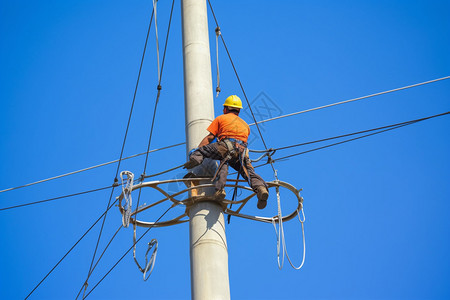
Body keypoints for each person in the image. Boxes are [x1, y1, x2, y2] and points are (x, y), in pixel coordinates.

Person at [184, 95, 269, 209]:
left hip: (225, 146)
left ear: (225, 109)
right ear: (238, 110)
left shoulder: (221, 118)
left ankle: (218, 188)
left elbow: (209, 138)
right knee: (248, 172)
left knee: (220, 161)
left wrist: (196, 152)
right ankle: (261, 189)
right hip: (241, 151)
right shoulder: (245, 125)